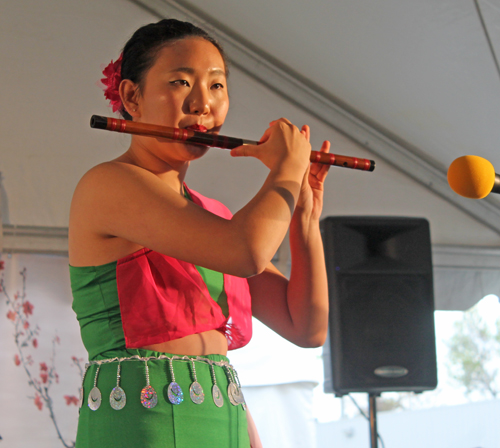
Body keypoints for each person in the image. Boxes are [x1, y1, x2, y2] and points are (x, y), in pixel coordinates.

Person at [69, 18, 330, 448]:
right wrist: (286, 168)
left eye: (216, 86)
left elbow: (305, 326)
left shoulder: (211, 217)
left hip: (224, 424)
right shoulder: (108, 185)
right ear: (131, 96)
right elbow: (245, 250)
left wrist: (303, 214)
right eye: (180, 82)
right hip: (143, 426)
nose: (202, 104)